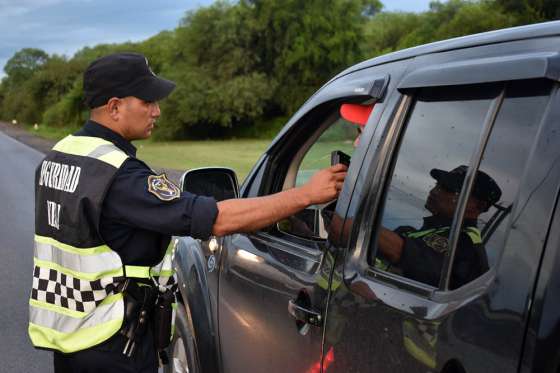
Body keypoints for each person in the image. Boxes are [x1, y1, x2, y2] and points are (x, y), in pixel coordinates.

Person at [29, 52, 347, 373]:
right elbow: (217, 219)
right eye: (148, 101)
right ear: (114, 107)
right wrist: (306, 194)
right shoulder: (119, 176)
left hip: (72, 334)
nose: (157, 111)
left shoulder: (60, 155)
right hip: (112, 340)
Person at [376, 165, 502, 289]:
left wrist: (361, 227)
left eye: (448, 189)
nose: (434, 191)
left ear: (477, 206)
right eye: (437, 184)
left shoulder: (465, 244)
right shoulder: (416, 231)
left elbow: (416, 259)